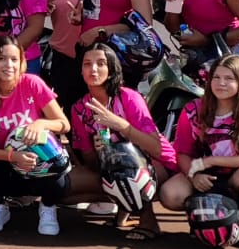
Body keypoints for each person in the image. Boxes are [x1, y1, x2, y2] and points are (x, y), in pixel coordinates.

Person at [160, 53, 239, 249]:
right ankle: (200, 219)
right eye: (216, 77)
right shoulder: (193, 110)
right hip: (203, 174)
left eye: (229, 78)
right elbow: (182, 153)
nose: (221, 83)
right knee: (170, 193)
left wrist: (215, 160)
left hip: (237, 174)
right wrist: (193, 174)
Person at [0, 35, 71, 236]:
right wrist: (13, 157)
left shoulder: (32, 83)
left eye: (14, 59)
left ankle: (48, 207)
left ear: (22, 61)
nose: (9, 65)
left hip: (37, 161)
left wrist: (40, 123)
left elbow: (64, 125)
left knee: (61, 180)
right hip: (7, 163)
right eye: (1, 59)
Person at [68, 42, 174, 238]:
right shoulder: (79, 109)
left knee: (127, 163)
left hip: (159, 164)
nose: (93, 69)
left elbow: (157, 149)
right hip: (115, 169)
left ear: (111, 70)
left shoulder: (128, 97)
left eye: (101, 63)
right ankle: (124, 206)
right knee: (65, 188)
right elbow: (90, 162)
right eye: (87, 64)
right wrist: (97, 150)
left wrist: (121, 125)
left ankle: (149, 222)